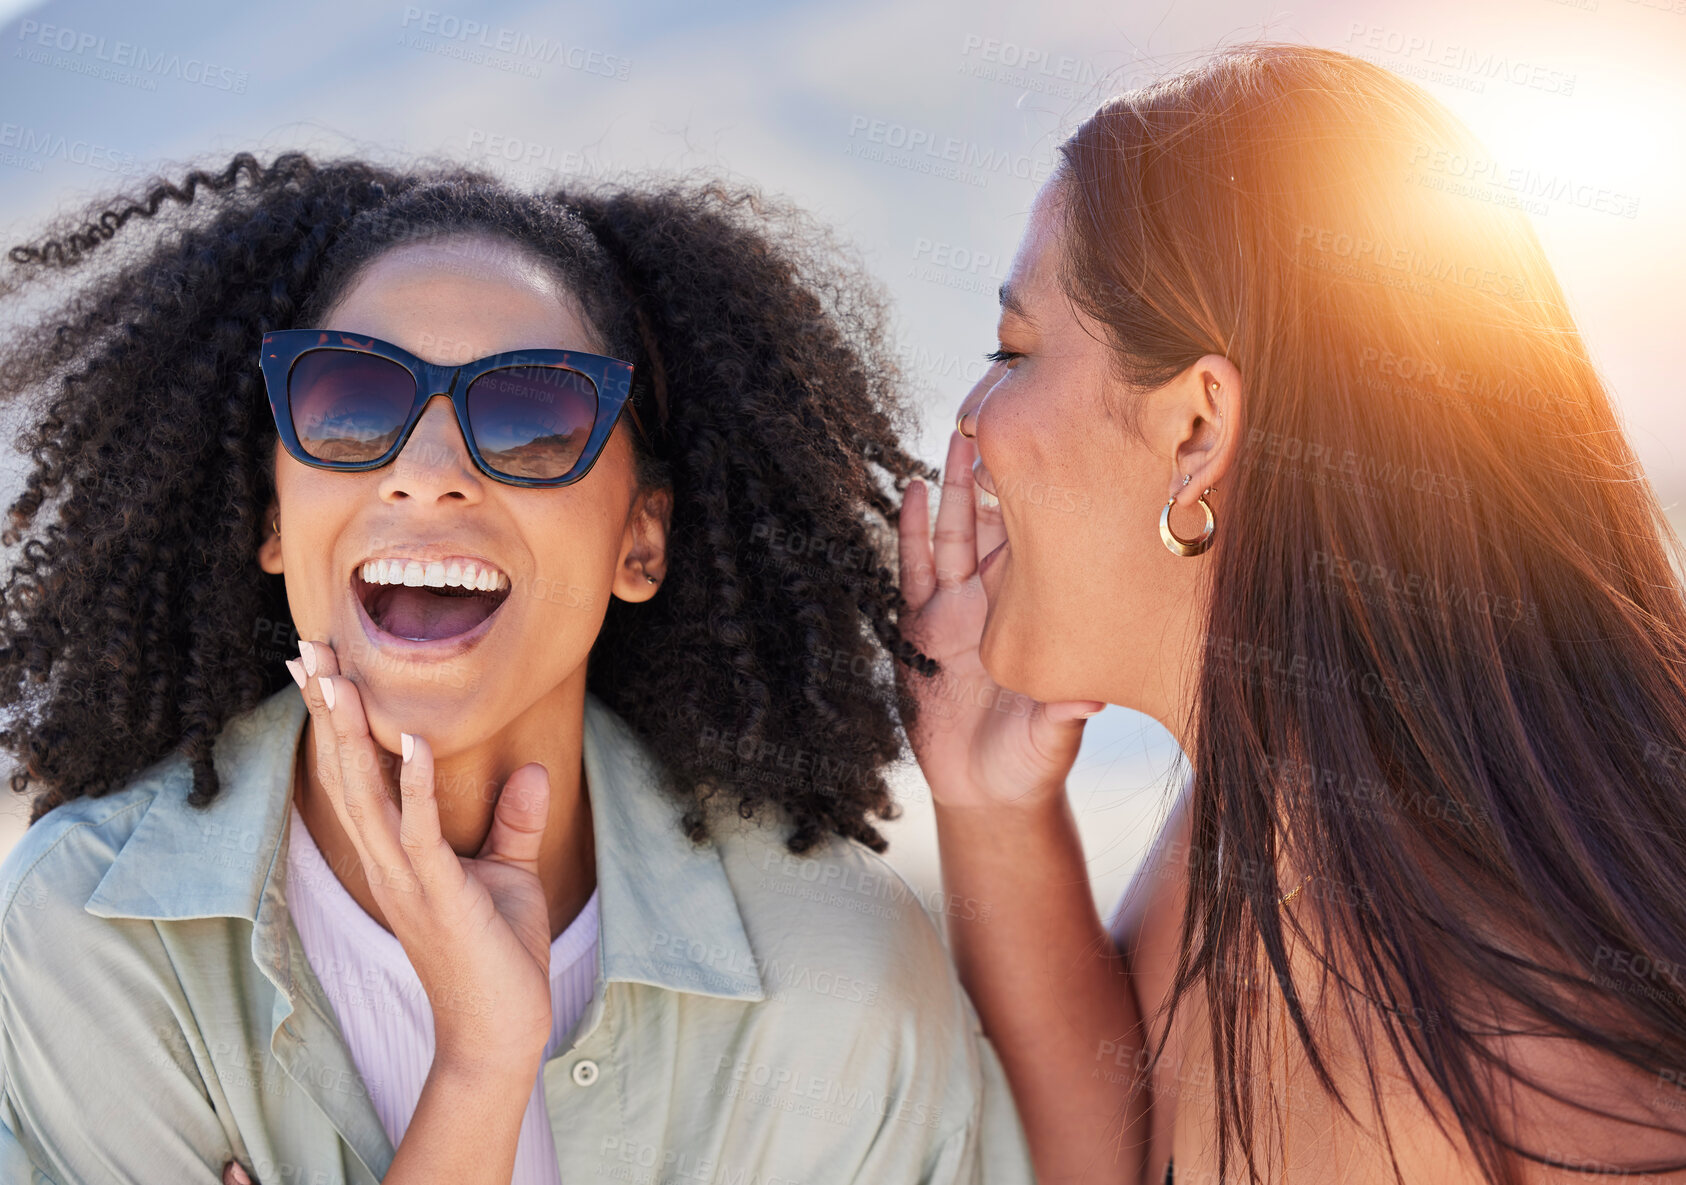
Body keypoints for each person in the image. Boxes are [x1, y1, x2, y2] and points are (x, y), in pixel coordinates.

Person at [0, 153, 1033, 1185]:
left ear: (642, 540)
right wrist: (482, 1066)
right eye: (352, 401)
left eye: (533, 420)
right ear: (274, 514)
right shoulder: (94, 938)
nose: (427, 475)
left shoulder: (837, 979)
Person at [896, 43, 1686, 1185]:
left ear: (1198, 431)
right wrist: (989, 800)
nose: (972, 425)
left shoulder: (1553, 1086)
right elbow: (1106, 1151)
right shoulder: (1269, 838)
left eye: (1013, 353)